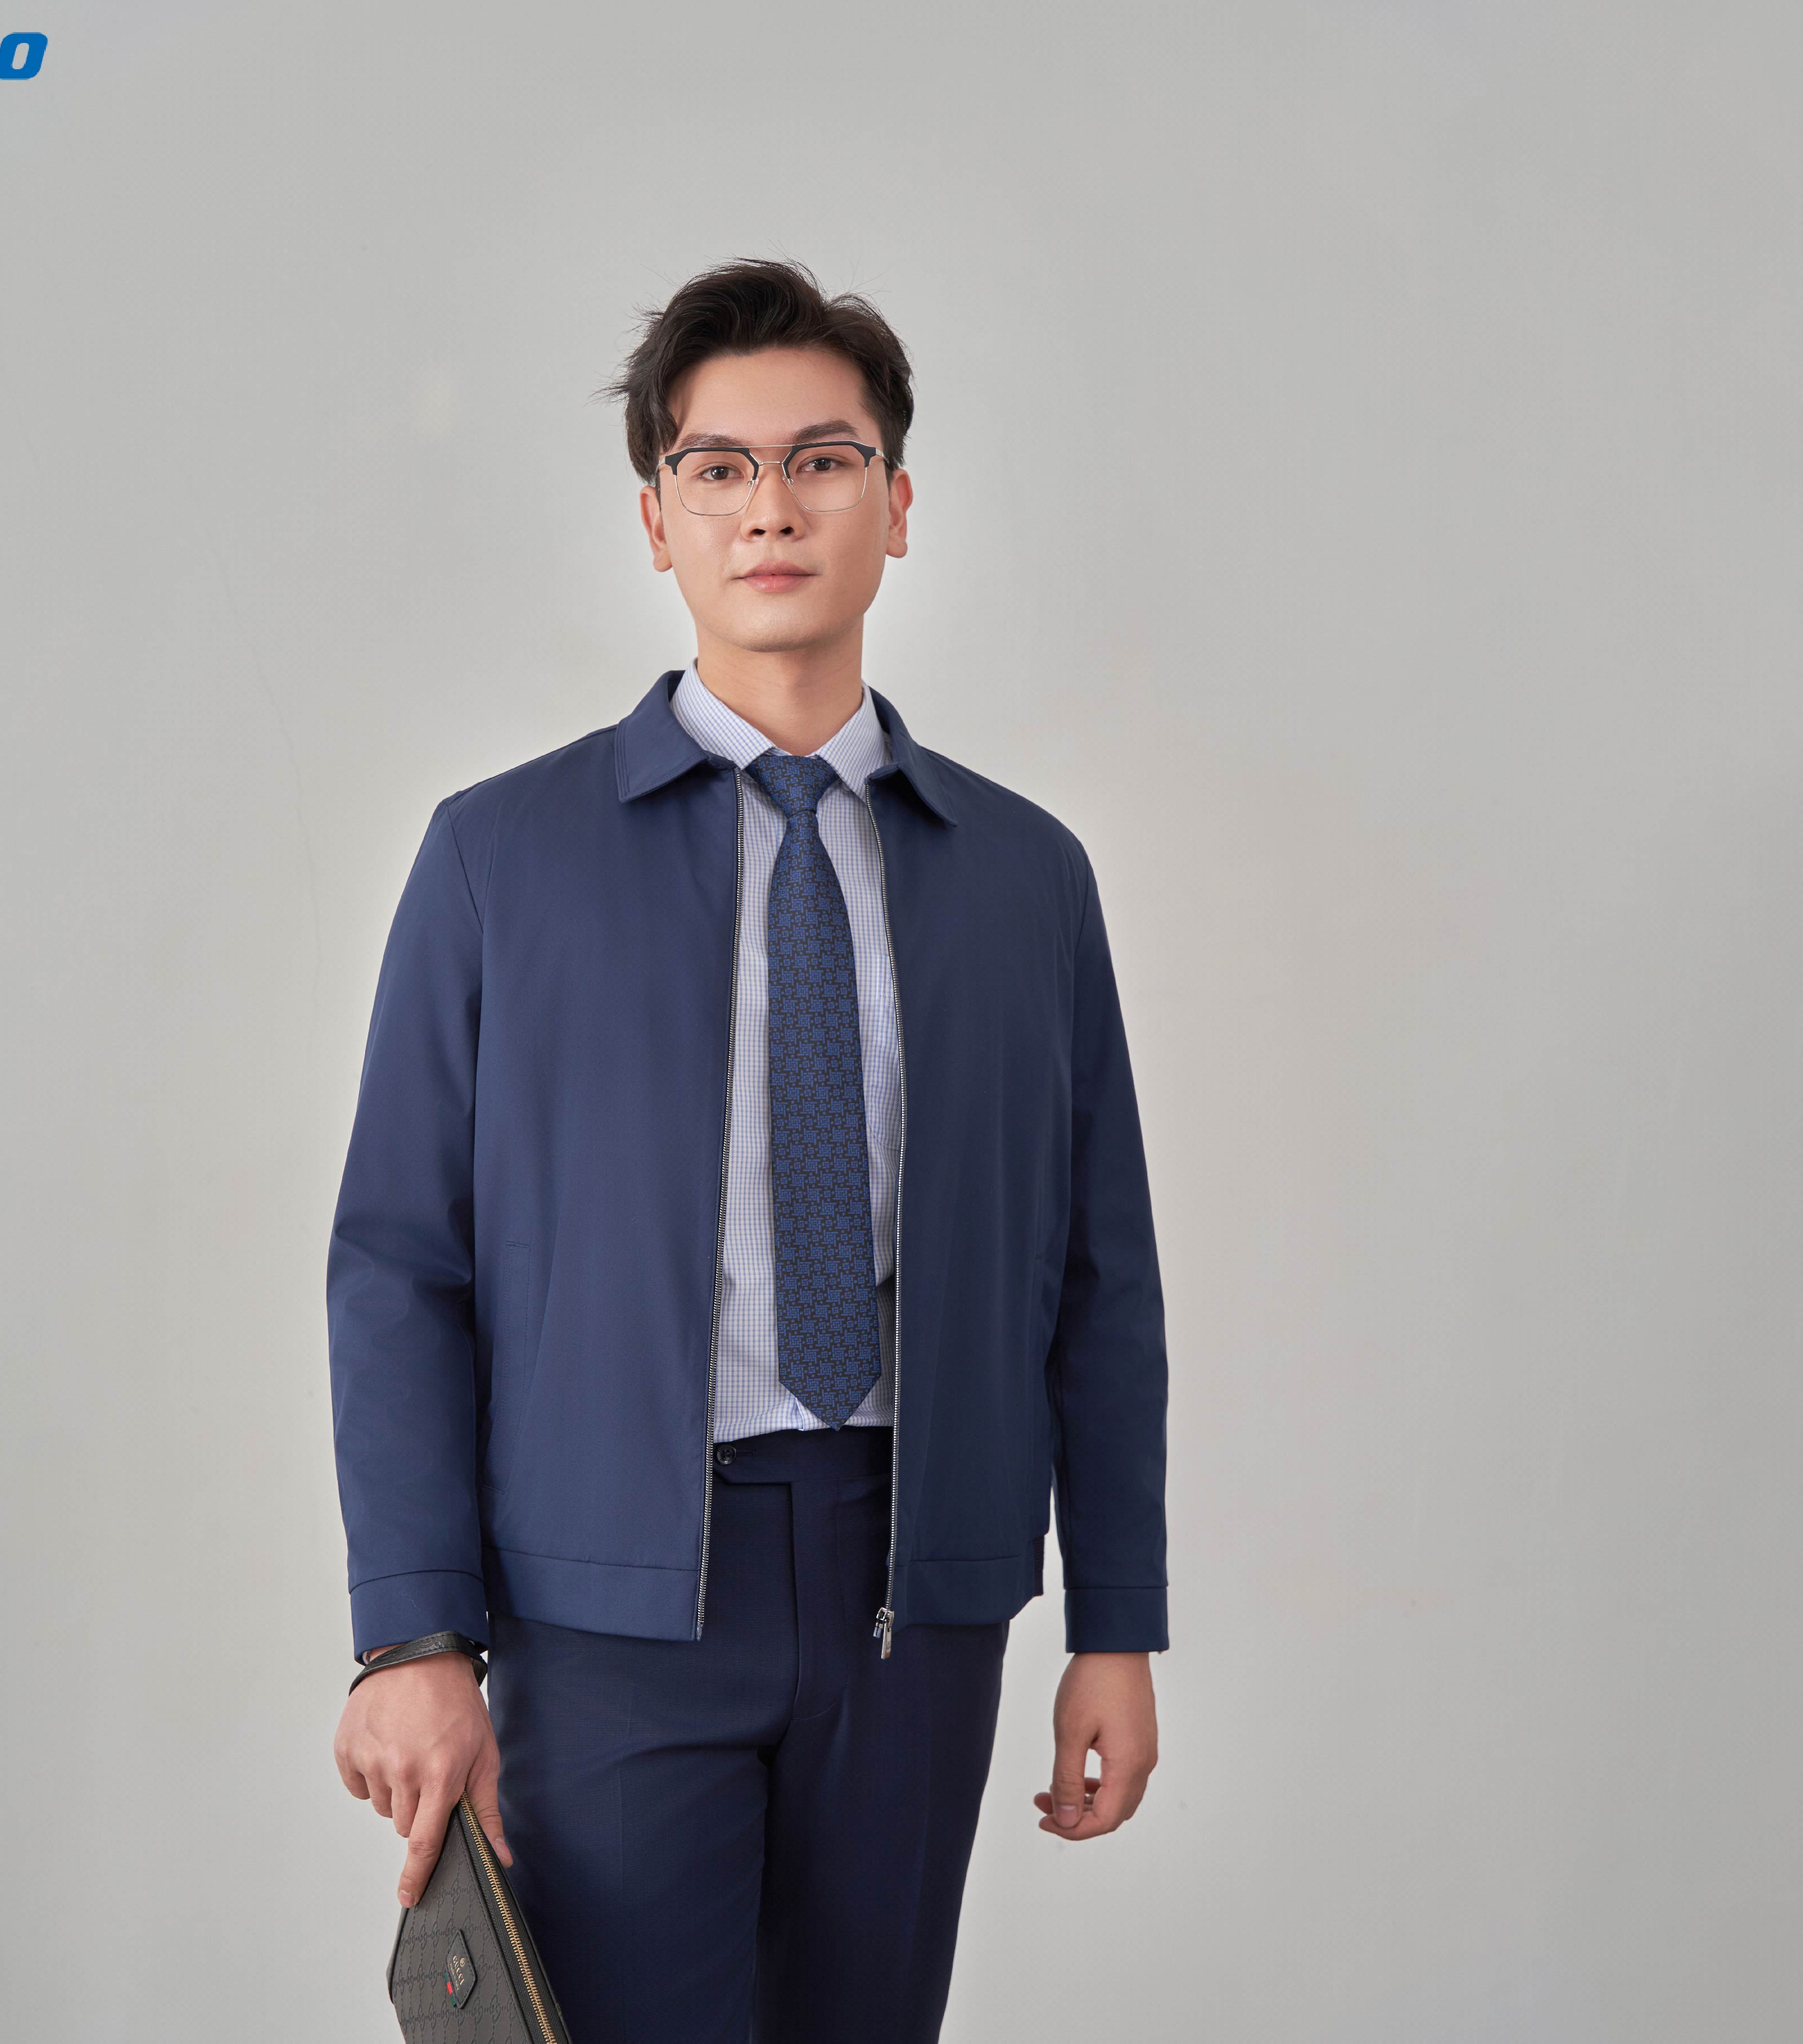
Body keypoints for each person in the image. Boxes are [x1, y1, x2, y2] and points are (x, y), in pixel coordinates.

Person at [326, 255, 1169, 2044]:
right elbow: (399, 1262)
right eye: (718, 469)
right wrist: (412, 1637)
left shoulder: (1025, 878)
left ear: (899, 505)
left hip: (917, 1589)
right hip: (612, 1598)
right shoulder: (501, 859)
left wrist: (1119, 1619)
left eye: (823, 461)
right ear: (658, 521)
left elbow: (1101, 1277)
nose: (771, 509)